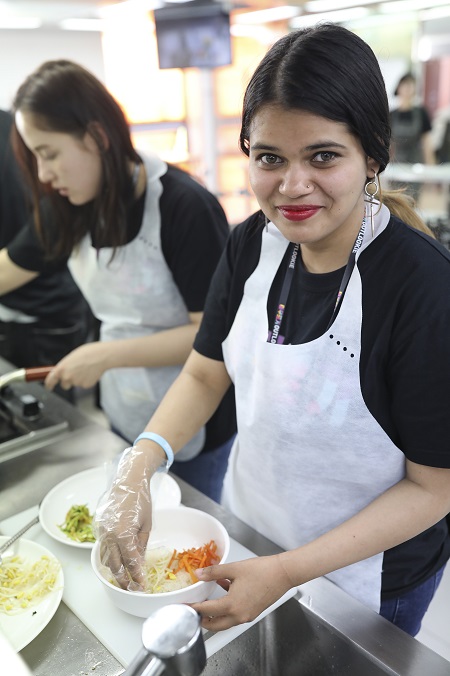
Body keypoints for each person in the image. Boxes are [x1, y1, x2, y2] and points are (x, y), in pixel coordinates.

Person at [94, 24, 450, 638]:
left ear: (372, 154)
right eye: (269, 158)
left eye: (323, 156)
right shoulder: (250, 244)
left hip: (366, 579)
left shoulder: (420, 286)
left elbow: (432, 487)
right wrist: (140, 464)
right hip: (253, 534)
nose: (292, 187)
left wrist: (288, 571)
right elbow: (207, 371)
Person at [10, 59, 236, 502]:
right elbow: (8, 266)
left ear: (96, 136)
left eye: (49, 153)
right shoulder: (69, 207)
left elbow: (211, 335)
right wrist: (108, 361)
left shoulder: (184, 207)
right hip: (125, 407)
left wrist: (106, 355)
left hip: (197, 419)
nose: (43, 174)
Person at [0, 108, 90, 401]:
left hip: (45, 313)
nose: (44, 170)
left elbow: (43, 237)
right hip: (30, 307)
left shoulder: (20, 133)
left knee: (54, 418)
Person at [389, 72, 435, 201]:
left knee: (413, 202)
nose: (407, 88)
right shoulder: (391, 115)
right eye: (404, 85)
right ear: (398, 88)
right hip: (396, 166)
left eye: (411, 85)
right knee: (396, 203)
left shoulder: (421, 113)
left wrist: (430, 171)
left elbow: (427, 143)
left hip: (416, 166)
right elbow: (387, 144)